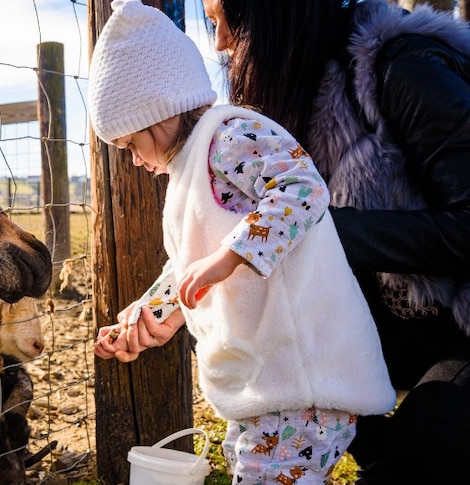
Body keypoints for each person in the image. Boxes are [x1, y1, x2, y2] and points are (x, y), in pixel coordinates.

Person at [88, 1, 396, 484]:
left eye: (130, 144)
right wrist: (157, 312)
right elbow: (195, 259)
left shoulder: (229, 135)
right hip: (268, 387)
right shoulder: (190, 166)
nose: (132, 161)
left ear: (158, 109)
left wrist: (228, 257)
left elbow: (304, 189)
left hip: (305, 382)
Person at [198, 0, 470, 483]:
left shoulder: (403, 70)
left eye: (225, 20)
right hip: (405, 326)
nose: (219, 42)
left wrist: (317, 225)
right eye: (210, 23)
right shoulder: (295, 97)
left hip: (460, 330)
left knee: (433, 438)